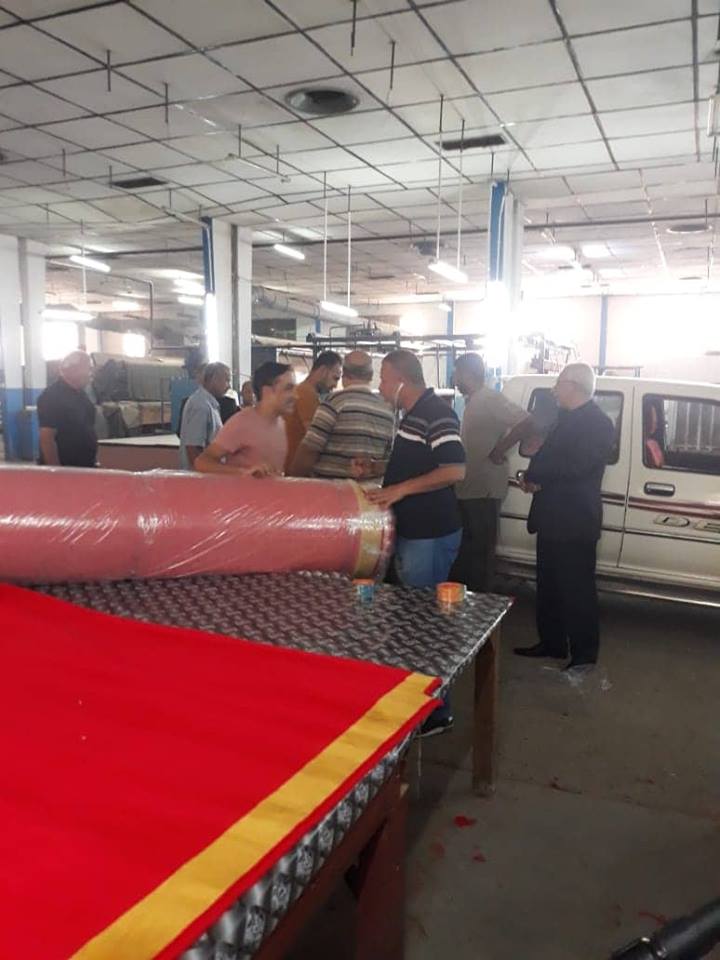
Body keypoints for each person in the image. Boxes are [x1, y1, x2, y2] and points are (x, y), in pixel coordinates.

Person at [366, 350, 466, 737]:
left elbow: (454, 469)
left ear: (402, 380)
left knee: (425, 623)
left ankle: (438, 711)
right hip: (415, 530)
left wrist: (400, 490)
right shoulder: (413, 415)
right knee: (412, 620)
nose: (380, 386)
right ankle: (419, 702)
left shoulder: (437, 413)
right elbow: (420, 464)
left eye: (383, 378)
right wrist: (378, 471)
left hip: (429, 532)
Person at [514, 362, 615, 675]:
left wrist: (538, 477)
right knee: (549, 586)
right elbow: (551, 460)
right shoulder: (565, 418)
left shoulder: (598, 423)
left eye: (558, 384)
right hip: (551, 518)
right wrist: (532, 478)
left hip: (574, 521)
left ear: (573, 385)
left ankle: (584, 655)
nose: (554, 390)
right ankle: (552, 642)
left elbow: (577, 466)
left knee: (577, 590)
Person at [450, 353, 535, 593]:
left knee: (480, 555)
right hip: (470, 489)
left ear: (467, 373)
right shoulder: (474, 401)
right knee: (468, 553)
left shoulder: (489, 398)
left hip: (483, 491)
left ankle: (480, 603)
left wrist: (499, 449)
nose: (454, 379)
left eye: (456, 373)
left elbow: (527, 421)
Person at [289, 350, 394, 480]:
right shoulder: (387, 411)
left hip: (331, 489)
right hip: (370, 491)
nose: (334, 385)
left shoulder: (334, 403)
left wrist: (293, 478)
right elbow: (387, 461)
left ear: (345, 374)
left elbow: (310, 448)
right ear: (371, 376)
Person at [195, 362, 295, 477]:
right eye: (288, 388)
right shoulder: (241, 423)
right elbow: (202, 462)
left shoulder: (282, 424)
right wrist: (242, 472)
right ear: (267, 391)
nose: (295, 396)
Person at [37, 350, 97, 468]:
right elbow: (47, 438)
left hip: (85, 466)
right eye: (88, 369)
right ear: (74, 369)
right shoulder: (51, 396)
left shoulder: (82, 396)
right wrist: (56, 472)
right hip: (66, 468)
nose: (91, 374)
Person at [283, 351, 342, 470]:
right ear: (323, 370)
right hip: (299, 471)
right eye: (335, 378)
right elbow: (315, 438)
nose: (335, 385)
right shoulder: (306, 393)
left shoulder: (303, 391)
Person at [179, 362, 230, 469]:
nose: (228, 386)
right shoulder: (200, 405)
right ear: (213, 379)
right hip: (201, 476)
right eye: (226, 380)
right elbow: (192, 448)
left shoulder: (209, 404)